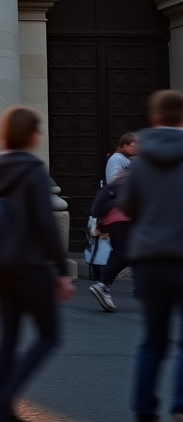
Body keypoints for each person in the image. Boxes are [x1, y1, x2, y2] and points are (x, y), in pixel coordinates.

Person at [0, 106, 74, 422]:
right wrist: (62, 271)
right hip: (30, 264)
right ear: (32, 136)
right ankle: (6, 400)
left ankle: (2, 404)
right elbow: (45, 225)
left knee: (8, 335)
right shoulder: (33, 170)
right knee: (49, 335)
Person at [121, 89, 183, 421]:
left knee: (152, 342)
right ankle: (181, 405)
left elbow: (128, 206)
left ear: (155, 117)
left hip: (149, 260)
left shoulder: (140, 162)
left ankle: (145, 410)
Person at [89, 165, 134, 313]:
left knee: (120, 252)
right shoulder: (141, 174)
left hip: (112, 219)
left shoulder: (118, 179)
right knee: (126, 253)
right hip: (124, 217)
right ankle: (103, 285)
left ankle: (103, 285)